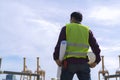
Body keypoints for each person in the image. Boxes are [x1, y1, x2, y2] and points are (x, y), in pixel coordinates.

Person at [53, 12, 101, 80]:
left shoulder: (66, 28)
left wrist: (56, 58)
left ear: (72, 18)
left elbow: (59, 45)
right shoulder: (87, 30)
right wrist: (96, 61)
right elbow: (96, 47)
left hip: (69, 63)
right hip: (83, 63)